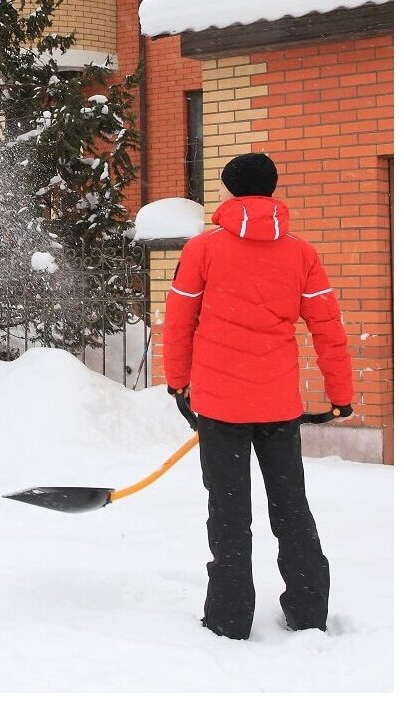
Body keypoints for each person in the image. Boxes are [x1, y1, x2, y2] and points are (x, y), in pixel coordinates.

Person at [162, 152, 353, 640]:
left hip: (221, 407)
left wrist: (179, 383)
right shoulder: (301, 254)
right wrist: (340, 395)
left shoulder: (203, 250)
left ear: (229, 192)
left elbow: (179, 321)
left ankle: (228, 619)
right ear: (270, 192)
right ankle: (308, 611)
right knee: (290, 506)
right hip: (277, 407)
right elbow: (328, 329)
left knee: (229, 512)